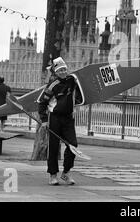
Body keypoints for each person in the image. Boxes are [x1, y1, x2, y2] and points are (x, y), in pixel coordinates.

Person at [38, 57, 79, 186]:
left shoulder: (72, 80)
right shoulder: (52, 85)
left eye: (64, 70)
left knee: (73, 145)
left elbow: (82, 87)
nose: (63, 72)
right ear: (55, 72)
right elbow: (42, 103)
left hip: (68, 118)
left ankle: (66, 172)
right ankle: (53, 175)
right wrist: (44, 121)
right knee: (53, 148)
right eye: (60, 70)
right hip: (54, 118)